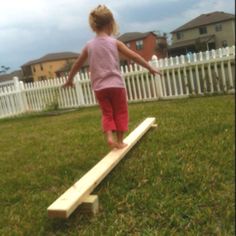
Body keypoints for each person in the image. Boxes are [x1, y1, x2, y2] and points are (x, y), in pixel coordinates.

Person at [63, 5, 161, 149]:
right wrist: (150, 67)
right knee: (121, 112)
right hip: (116, 86)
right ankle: (120, 141)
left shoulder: (89, 46)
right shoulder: (115, 42)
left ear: (94, 26)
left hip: (99, 88)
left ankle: (110, 136)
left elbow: (77, 64)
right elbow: (134, 56)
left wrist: (69, 79)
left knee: (107, 113)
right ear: (111, 24)